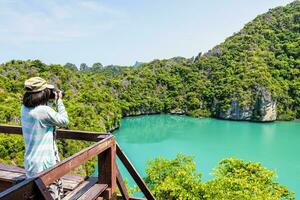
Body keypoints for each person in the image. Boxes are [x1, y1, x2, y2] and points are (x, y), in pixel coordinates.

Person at [21, 77, 69, 200]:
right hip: (45, 167)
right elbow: (64, 121)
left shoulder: (24, 108)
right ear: (43, 93)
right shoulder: (44, 111)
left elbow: (43, 115)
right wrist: (59, 100)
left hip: (31, 166)